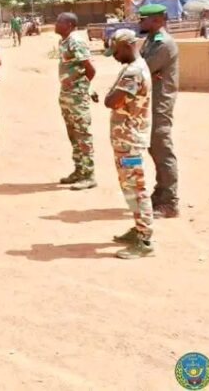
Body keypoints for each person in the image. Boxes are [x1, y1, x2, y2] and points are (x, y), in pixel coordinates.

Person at [104, 29, 155, 259]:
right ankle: (138, 228)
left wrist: (109, 95)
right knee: (130, 187)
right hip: (126, 139)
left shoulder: (133, 72)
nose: (114, 56)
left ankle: (145, 241)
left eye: (115, 51)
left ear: (126, 45)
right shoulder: (133, 67)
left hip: (130, 140)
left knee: (136, 188)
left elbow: (112, 101)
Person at [138, 3, 179, 218]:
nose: (140, 22)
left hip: (160, 104)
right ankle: (160, 193)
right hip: (150, 102)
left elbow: (141, 69)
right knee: (154, 148)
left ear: (157, 20)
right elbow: (142, 67)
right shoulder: (152, 40)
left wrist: (146, 72)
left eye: (143, 19)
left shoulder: (164, 44)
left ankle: (170, 202)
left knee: (163, 150)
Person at [52, 13, 99, 190]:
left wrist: (83, 88)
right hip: (67, 95)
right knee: (73, 135)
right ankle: (79, 171)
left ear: (70, 24)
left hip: (77, 97)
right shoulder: (64, 42)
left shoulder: (76, 41)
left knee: (83, 134)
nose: (56, 24)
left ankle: (89, 175)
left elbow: (90, 69)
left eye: (59, 21)